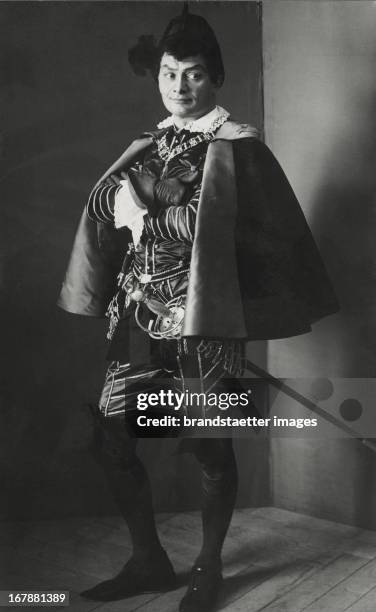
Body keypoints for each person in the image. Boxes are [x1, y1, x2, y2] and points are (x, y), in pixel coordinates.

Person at [58, 7, 339, 612]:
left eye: (193, 74)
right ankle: (148, 561)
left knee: (209, 442)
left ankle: (207, 566)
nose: (179, 86)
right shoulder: (150, 141)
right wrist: (119, 208)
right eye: (168, 72)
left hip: (201, 319)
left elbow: (233, 228)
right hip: (135, 319)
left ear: (215, 79)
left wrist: (147, 215)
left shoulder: (238, 147)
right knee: (114, 440)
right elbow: (110, 207)